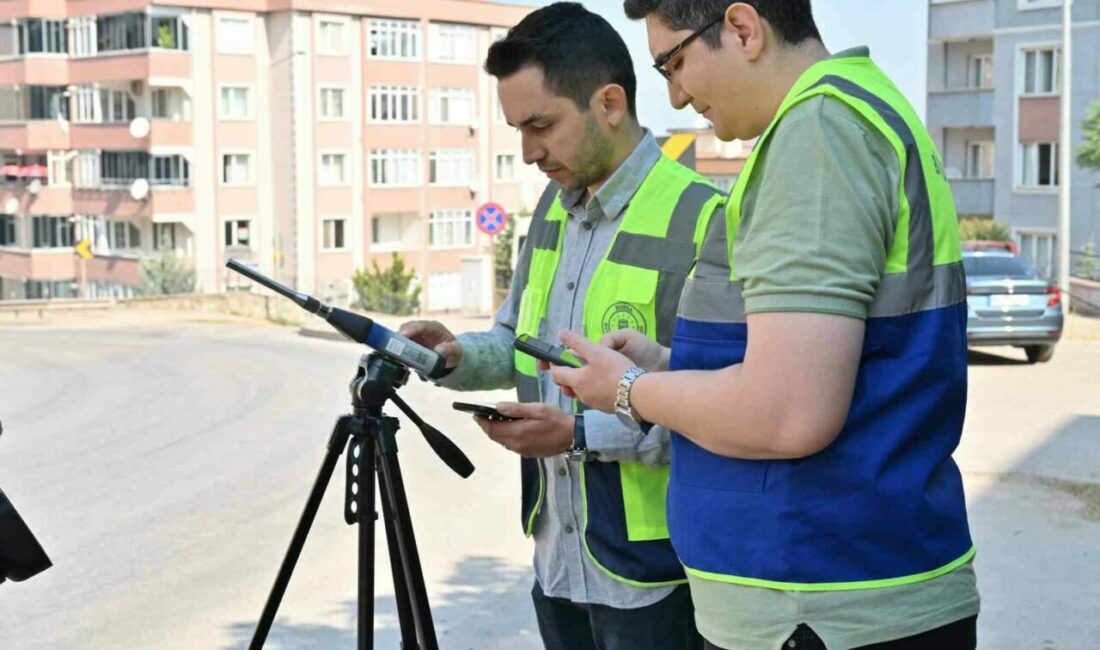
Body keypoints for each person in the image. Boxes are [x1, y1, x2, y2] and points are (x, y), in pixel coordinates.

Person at [549, 1, 981, 649]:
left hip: (819, 602)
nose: (674, 93)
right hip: (840, 590)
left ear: (743, 28)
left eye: (674, 62)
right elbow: (832, 359)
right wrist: (671, 367)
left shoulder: (817, 137)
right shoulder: (852, 111)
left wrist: (630, 388)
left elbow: (789, 412)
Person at [398, 4, 724, 649]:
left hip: (656, 574)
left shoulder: (704, 218)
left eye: (540, 125)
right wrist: (458, 354)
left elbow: (719, 411)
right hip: (558, 561)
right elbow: (520, 340)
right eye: (517, 129)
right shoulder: (552, 210)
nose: (527, 153)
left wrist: (577, 433)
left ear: (609, 103)